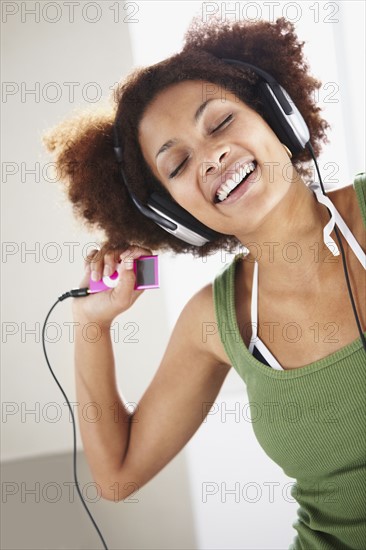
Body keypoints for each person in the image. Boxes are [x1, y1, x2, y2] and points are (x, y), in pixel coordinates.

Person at [43, 16, 365, 550]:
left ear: (277, 120)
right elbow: (117, 475)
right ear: (173, 215)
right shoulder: (215, 321)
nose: (211, 155)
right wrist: (90, 326)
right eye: (178, 163)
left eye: (219, 124)